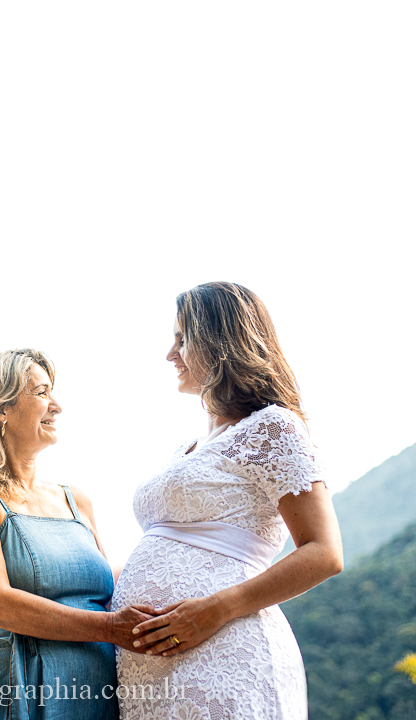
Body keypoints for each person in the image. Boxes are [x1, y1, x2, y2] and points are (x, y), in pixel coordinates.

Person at [111, 282, 344, 720]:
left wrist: (215, 609)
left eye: (182, 339)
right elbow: (174, 547)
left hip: (226, 652)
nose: (170, 353)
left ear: (220, 342)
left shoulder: (273, 427)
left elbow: (324, 553)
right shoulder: (186, 447)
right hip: (152, 674)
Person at [0, 348, 156, 720]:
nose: (56, 406)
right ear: (0, 409)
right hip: (23, 693)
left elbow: (108, 593)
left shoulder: (78, 501)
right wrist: (109, 628)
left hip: (102, 695)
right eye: (42, 393)